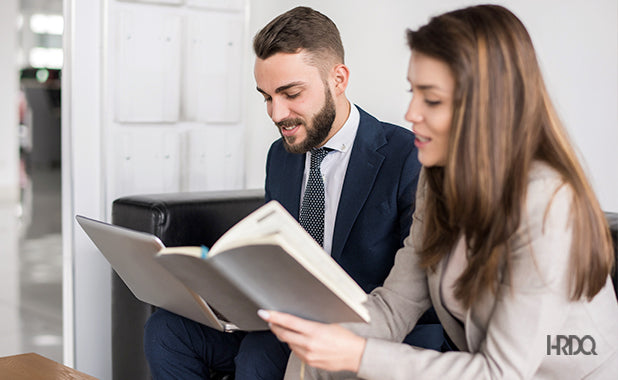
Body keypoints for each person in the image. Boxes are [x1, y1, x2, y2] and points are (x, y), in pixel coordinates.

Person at [261, 4, 618, 379]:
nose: (411, 112)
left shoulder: (546, 202)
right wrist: (320, 340)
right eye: (412, 92)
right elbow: (392, 309)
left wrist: (358, 354)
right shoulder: (438, 182)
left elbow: (500, 373)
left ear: (486, 107)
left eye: (430, 99)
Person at [143, 6, 445, 380]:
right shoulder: (281, 156)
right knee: (166, 330)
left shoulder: (406, 156)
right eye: (267, 97)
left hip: (373, 330)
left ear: (338, 79)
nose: (275, 113)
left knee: (259, 355)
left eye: (290, 93)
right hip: (285, 318)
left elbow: (419, 286)